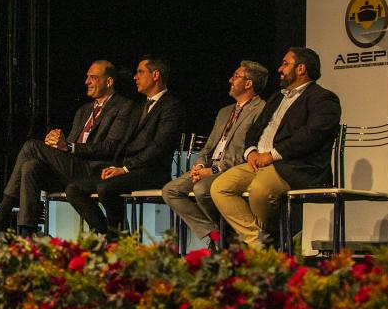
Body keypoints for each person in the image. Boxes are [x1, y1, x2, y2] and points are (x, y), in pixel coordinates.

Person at [0, 60, 133, 237]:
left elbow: (110, 147)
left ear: (109, 81)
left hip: (93, 171)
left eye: (93, 77)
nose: (87, 82)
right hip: (71, 169)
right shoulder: (84, 110)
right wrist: (55, 142)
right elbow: (69, 145)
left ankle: (0, 214)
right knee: (30, 166)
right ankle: (26, 234)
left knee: (31, 146)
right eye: (87, 77)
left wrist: (68, 146)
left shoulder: (123, 106)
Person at [210, 47, 341, 249]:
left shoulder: (323, 98)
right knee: (220, 187)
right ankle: (261, 243)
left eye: (285, 64)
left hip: (294, 165)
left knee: (260, 190)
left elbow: (311, 136)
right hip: (258, 162)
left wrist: (272, 155)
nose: (280, 68)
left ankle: (263, 245)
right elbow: (254, 130)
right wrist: (251, 151)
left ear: (301, 69)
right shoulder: (277, 97)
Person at [64, 55, 185, 239]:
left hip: (151, 172)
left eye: (140, 72)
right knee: (74, 188)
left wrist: (125, 168)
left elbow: (159, 147)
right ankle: (105, 232)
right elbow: (124, 144)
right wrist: (113, 166)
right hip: (129, 170)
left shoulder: (171, 107)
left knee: (106, 189)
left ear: (156, 75)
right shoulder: (139, 107)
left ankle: (117, 239)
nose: (135, 77)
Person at [161, 61, 267, 250]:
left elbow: (245, 151)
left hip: (232, 169)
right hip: (209, 168)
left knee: (202, 189)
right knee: (170, 190)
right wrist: (200, 166)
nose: (230, 80)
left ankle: (228, 235)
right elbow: (209, 146)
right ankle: (216, 234)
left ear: (249, 83)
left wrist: (214, 170)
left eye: (235, 76)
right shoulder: (225, 112)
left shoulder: (261, 110)